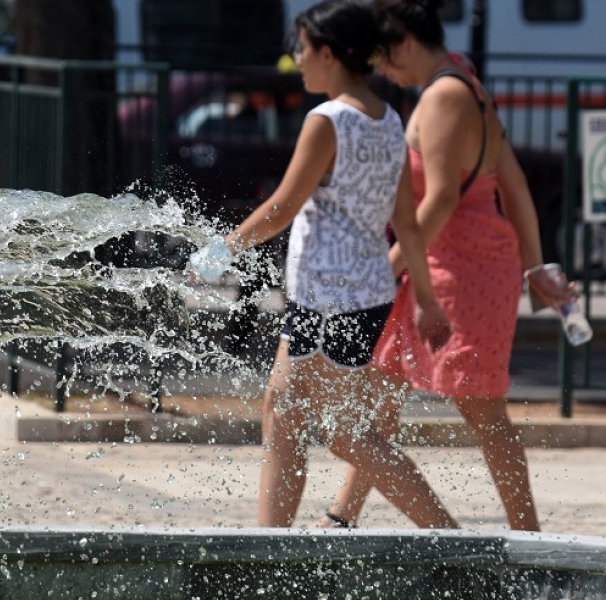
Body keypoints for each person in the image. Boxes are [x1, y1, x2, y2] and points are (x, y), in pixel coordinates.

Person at [188, 0, 458, 529]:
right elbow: (406, 220)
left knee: (341, 432)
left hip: (327, 296)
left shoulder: (327, 120)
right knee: (287, 417)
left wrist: (221, 251)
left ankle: (449, 538)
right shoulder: (387, 119)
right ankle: (272, 548)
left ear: (330, 54)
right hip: (364, 294)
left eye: (303, 50)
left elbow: (283, 207)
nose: (297, 61)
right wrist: (423, 298)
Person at [315, 0, 574, 532]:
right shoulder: (467, 85)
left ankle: (526, 540)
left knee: (481, 410)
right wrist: (534, 267)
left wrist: (381, 270)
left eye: (384, 60)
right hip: (447, 263)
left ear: (406, 43)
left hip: (461, 269)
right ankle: (343, 516)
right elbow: (515, 183)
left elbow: (439, 204)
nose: (382, 72)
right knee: (379, 391)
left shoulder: (444, 96)